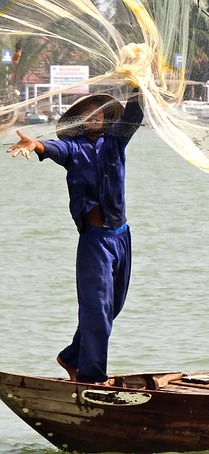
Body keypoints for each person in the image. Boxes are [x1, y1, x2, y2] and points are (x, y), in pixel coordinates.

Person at [7, 88, 144, 383]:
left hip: (121, 237)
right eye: (87, 113)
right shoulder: (74, 149)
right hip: (95, 242)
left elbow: (134, 115)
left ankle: (70, 357)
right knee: (97, 311)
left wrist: (137, 88)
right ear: (80, 121)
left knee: (112, 307)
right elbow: (52, 149)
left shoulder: (116, 141)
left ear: (105, 118)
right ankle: (92, 377)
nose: (94, 116)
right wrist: (35, 145)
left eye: (98, 112)